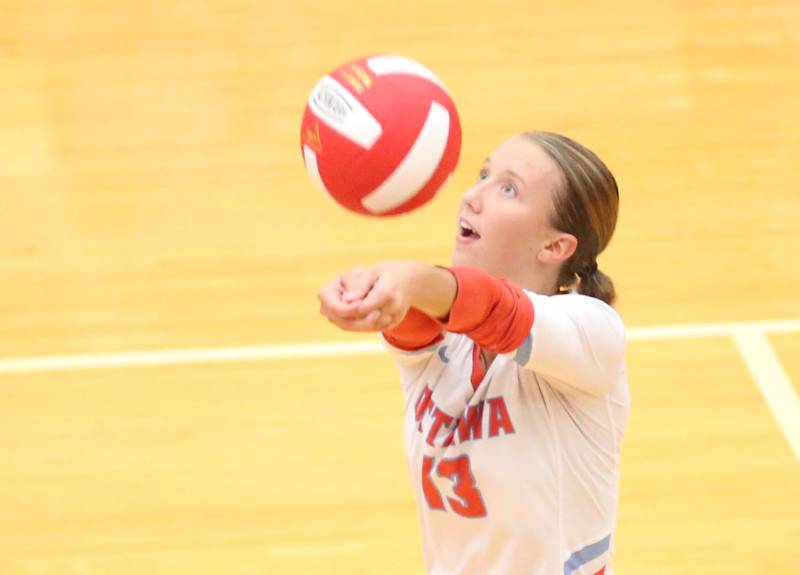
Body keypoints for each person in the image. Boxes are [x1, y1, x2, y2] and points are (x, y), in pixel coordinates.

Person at [318, 131, 629, 575]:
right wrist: (371, 287)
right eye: (483, 174)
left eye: (508, 188)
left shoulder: (592, 334)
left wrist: (404, 279)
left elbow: (494, 307)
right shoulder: (448, 348)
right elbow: (424, 318)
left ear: (554, 246)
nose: (471, 196)